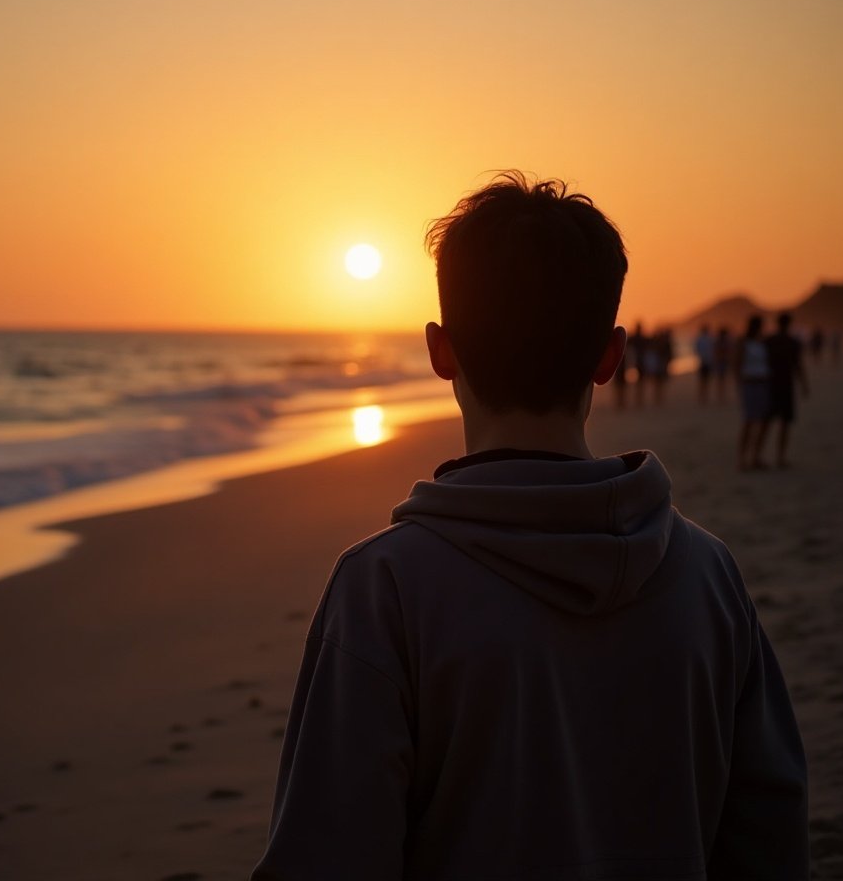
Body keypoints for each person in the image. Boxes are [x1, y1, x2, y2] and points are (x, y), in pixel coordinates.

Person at [251, 172, 808, 881]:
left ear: (439, 351)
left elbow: (326, 852)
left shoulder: (384, 588)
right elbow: (770, 828)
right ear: (611, 357)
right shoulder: (708, 574)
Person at [764, 312, 809, 468]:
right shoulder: (792, 342)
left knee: (767, 422)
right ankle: (780, 457)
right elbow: (798, 365)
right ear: (789, 324)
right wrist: (804, 384)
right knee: (784, 423)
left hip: (771, 385)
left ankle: (758, 455)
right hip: (786, 385)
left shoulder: (769, 341)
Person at [735, 315, 772, 471]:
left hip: (763, 384)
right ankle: (742, 459)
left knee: (764, 421)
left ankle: (756, 456)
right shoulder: (744, 343)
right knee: (749, 421)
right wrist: (739, 385)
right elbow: (737, 364)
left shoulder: (763, 343)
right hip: (750, 384)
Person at [694, 323, 715, 403]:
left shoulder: (701, 339)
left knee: (703, 380)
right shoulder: (709, 339)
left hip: (703, 361)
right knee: (705, 380)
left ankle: (702, 397)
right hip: (706, 361)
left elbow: (696, 350)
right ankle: (703, 397)